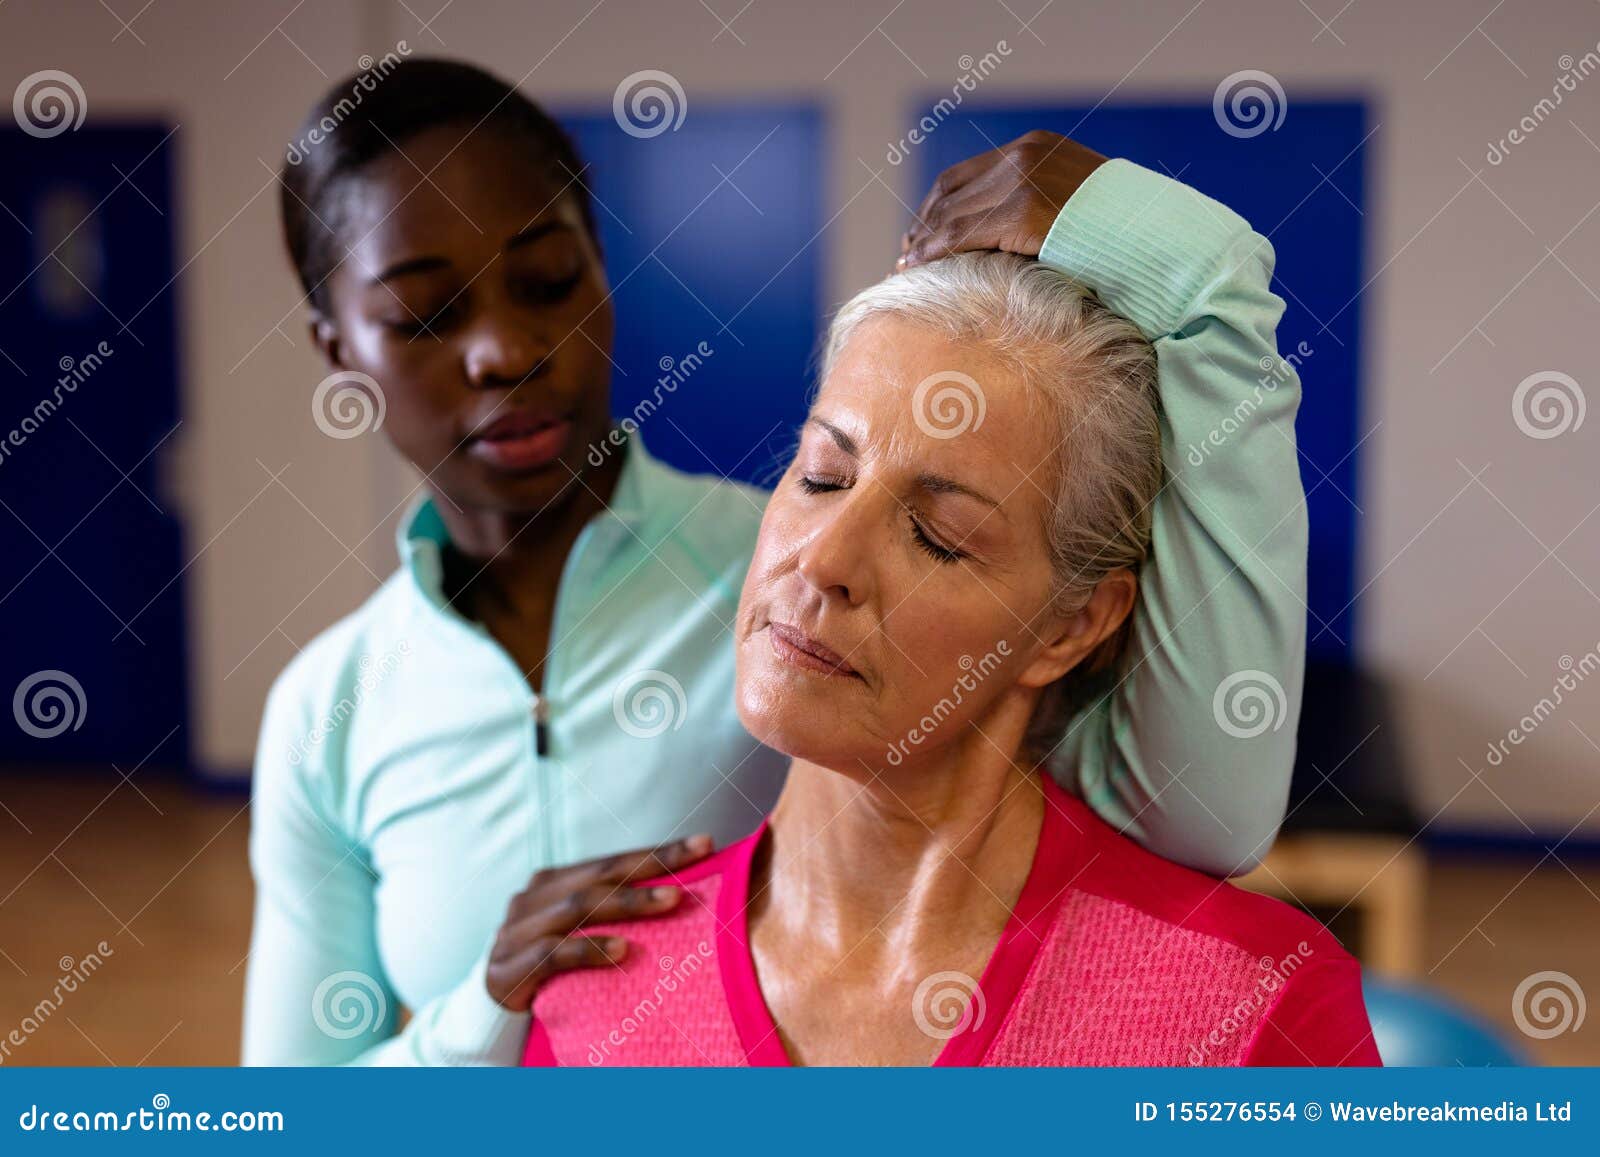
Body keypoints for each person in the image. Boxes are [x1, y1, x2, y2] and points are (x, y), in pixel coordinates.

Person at [245, 58, 1309, 1066]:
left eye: (547, 277)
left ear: (603, 269)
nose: (503, 351)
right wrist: (487, 1006)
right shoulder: (328, 711)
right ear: (337, 344)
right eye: (423, 312)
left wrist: (1185, 263)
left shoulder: (799, 582)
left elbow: (1197, 803)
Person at [524, 244, 1376, 1067]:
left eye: (937, 537)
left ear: (1070, 627)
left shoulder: (1249, 1008)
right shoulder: (598, 989)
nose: (822, 561)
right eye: (823, 475)